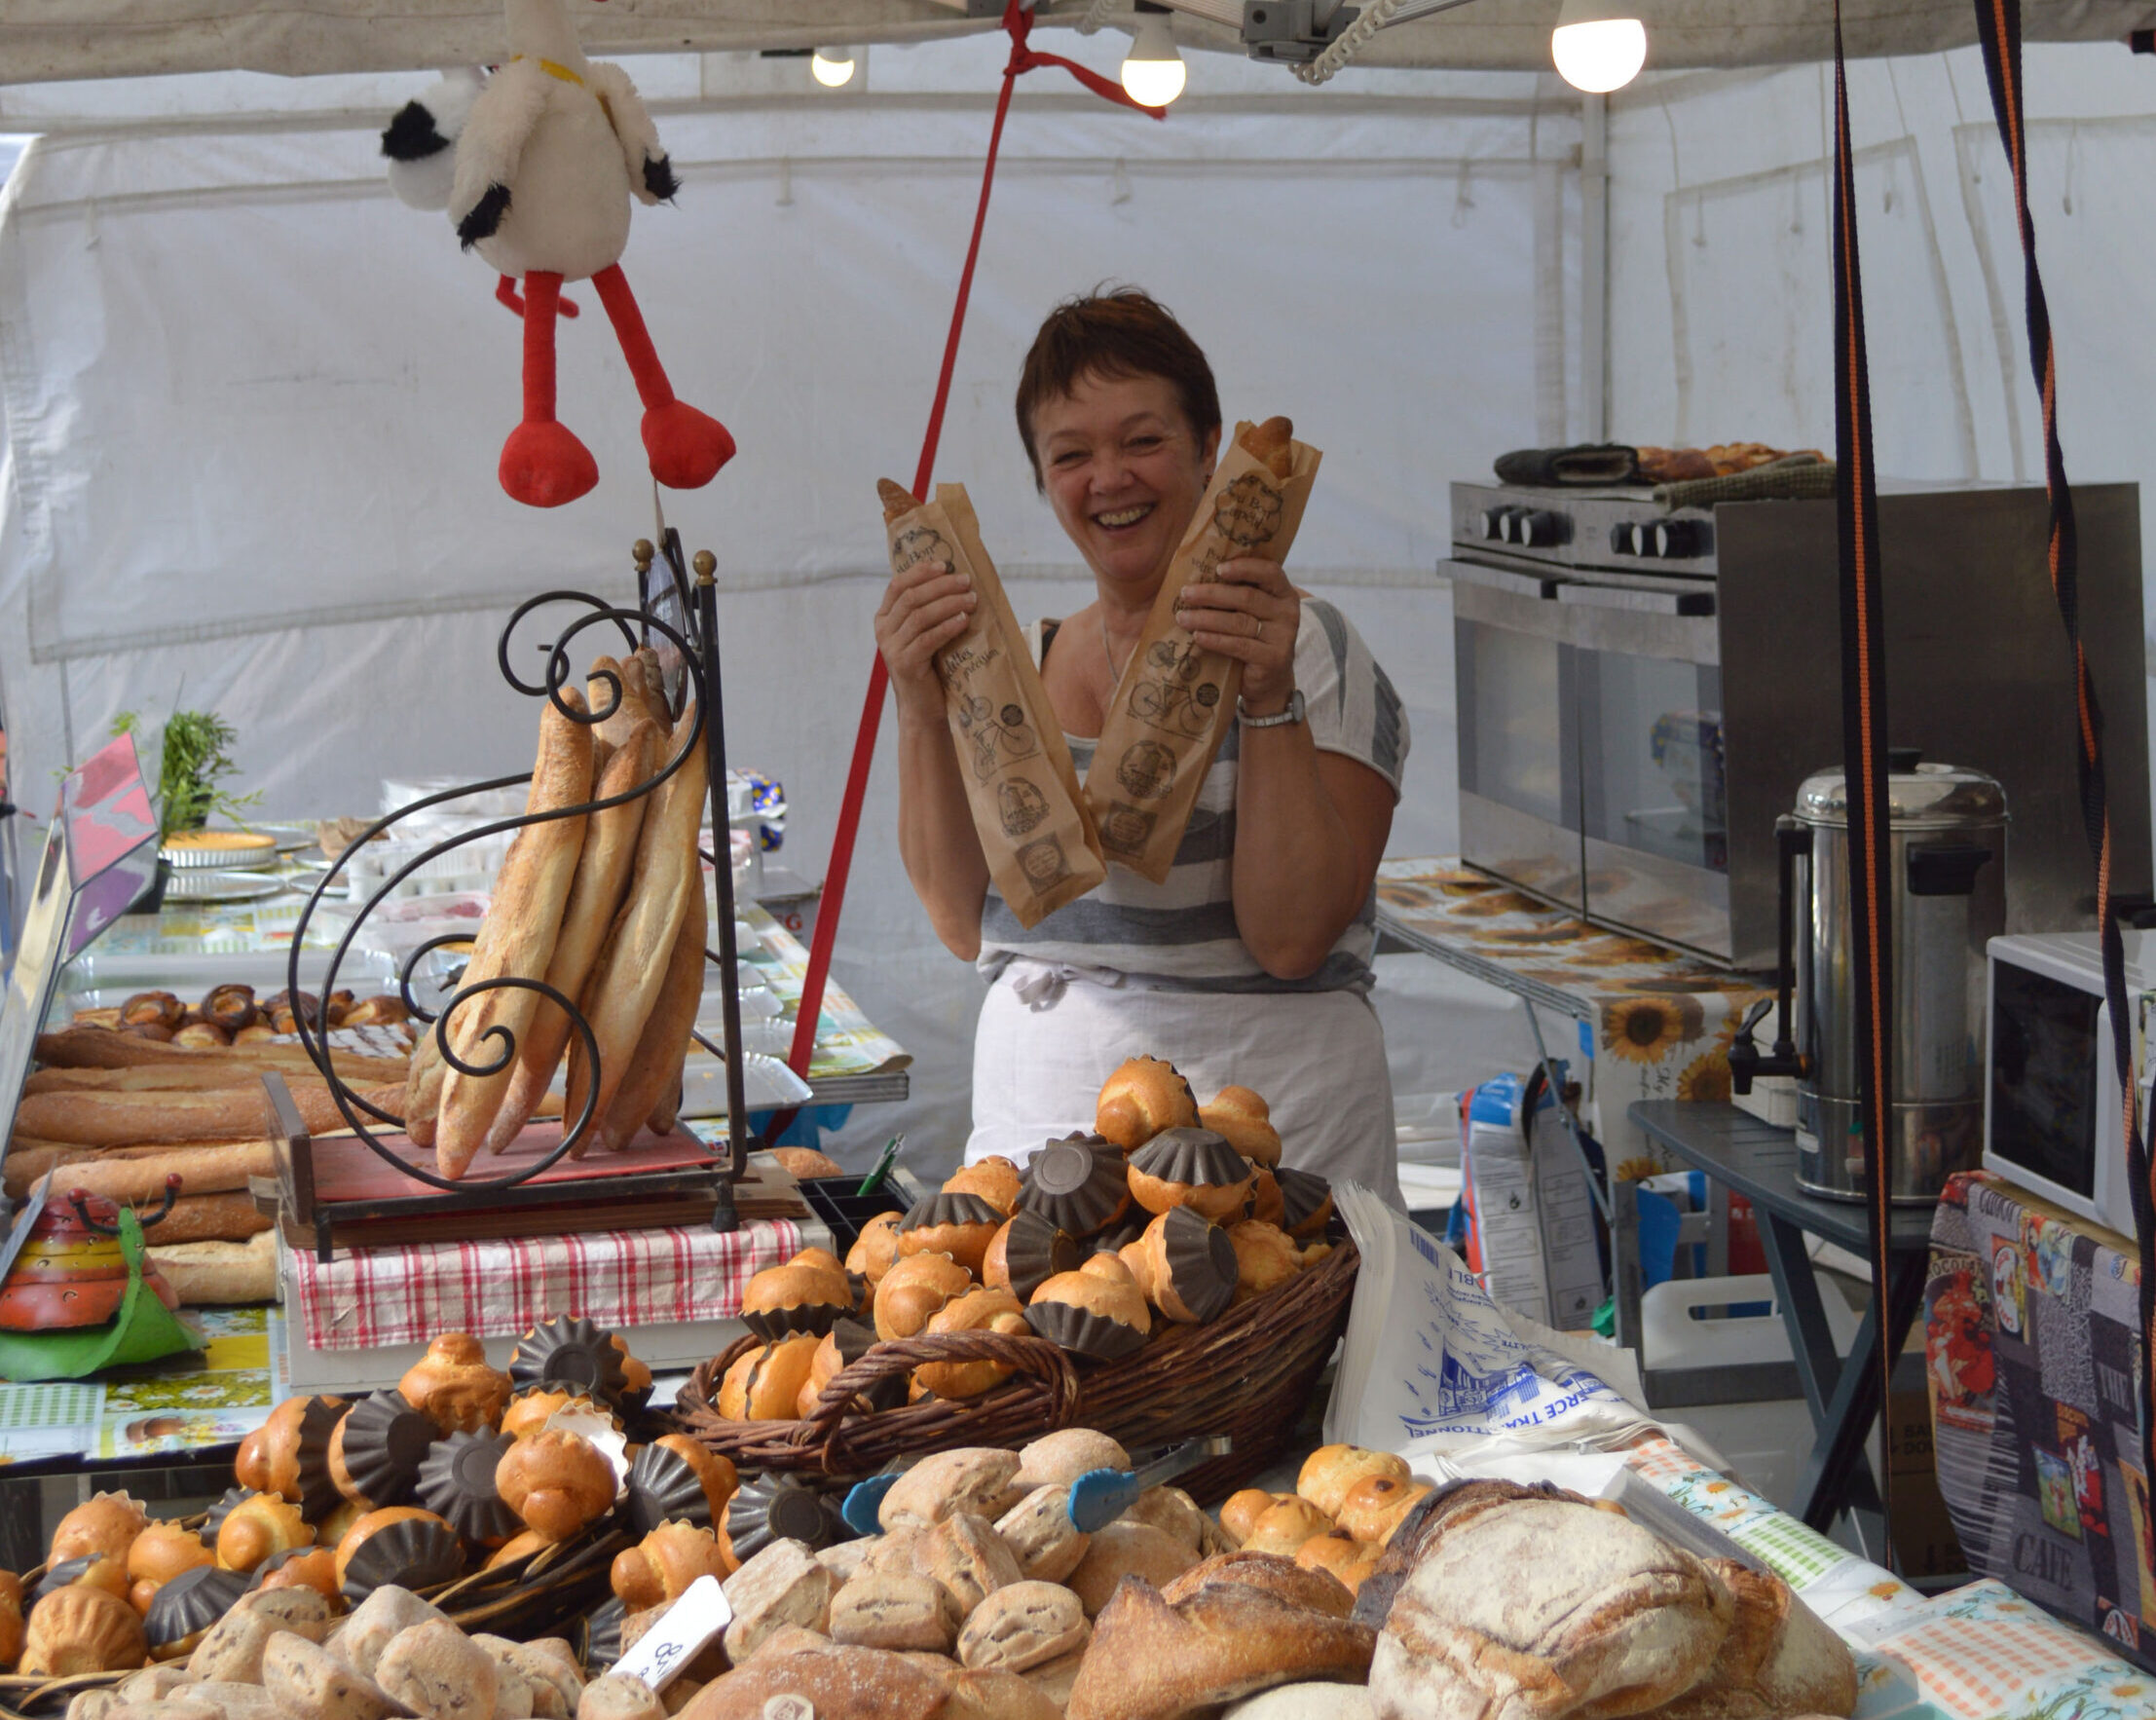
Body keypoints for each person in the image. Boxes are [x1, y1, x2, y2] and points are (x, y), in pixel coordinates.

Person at [874, 288, 1408, 1201]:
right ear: (1044, 480)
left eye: (1143, 440)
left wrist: (1268, 699)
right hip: (1042, 1148)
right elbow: (961, 921)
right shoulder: (1013, 668)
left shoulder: (1304, 648)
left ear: (1209, 451)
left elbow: (1292, 940)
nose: (1109, 478)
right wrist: (919, 706)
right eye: (1071, 455)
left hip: (1272, 1142)